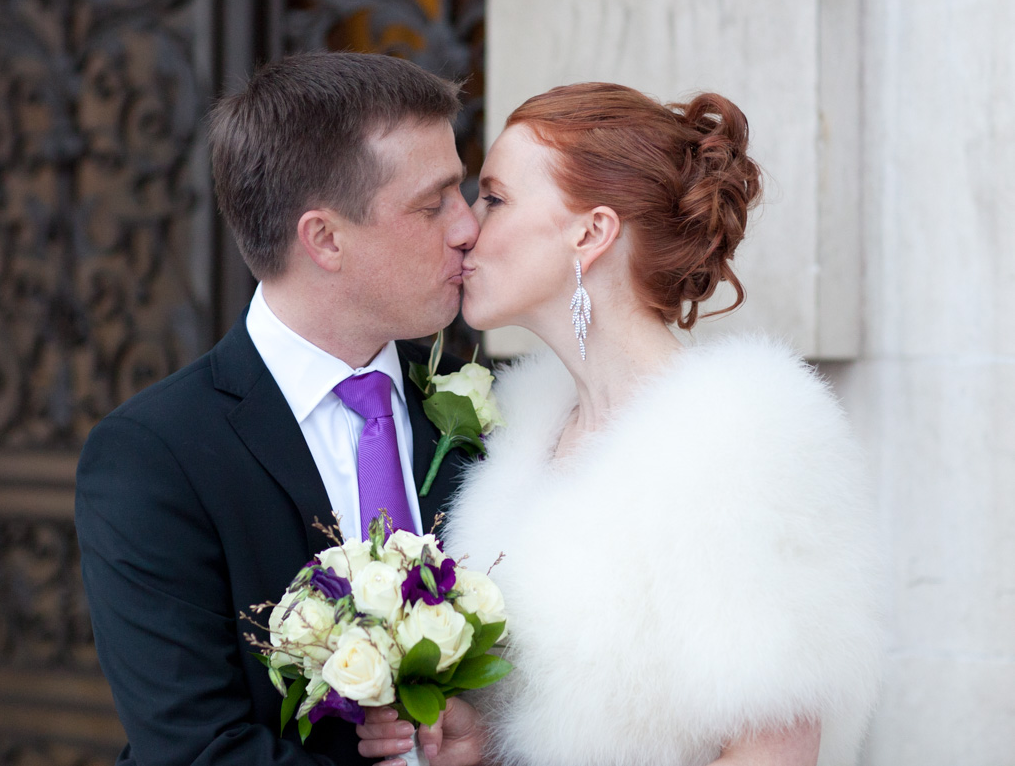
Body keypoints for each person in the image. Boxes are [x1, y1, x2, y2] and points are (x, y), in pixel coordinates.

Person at [357, 83, 884, 766]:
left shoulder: (745, 437)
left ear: (592, 231)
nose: (465, 228)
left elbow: (773, 749)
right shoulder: (518, 434)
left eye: (494, 197)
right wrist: (481, 744)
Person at [74, 52, 480, 766]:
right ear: (324, 238)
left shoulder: (483, 398)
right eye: (433, 203)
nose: (467, 227)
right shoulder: (152, 457)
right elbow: (198, 750)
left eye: (464, 192)